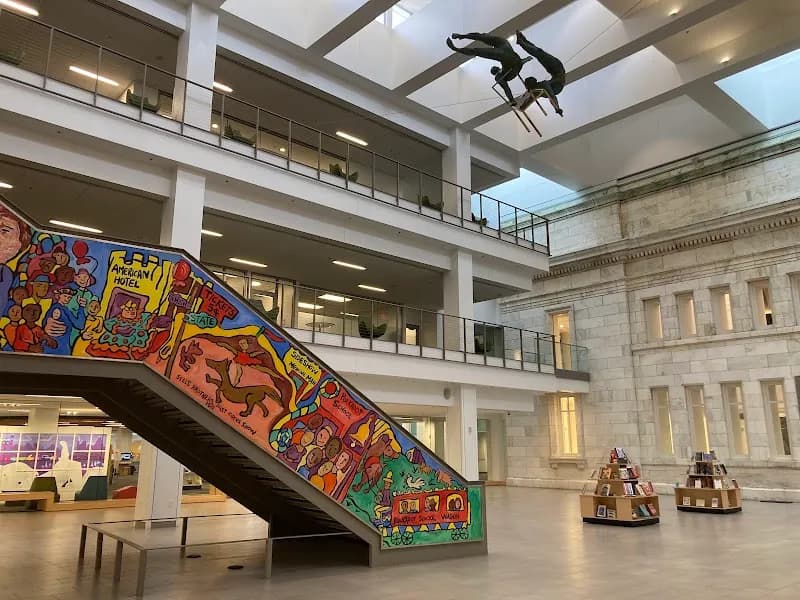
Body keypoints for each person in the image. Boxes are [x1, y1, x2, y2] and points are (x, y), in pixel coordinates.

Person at [447, 32, 531, 105]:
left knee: (482, 37)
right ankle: (460, 40)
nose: (495, 68)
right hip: (512, 61)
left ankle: (461, 38)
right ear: (497, 69)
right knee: (480, 43)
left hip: (511, 58)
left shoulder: (501, 72)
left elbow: (479, 43)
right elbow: (505, 87)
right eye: (494, 69)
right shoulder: (501, 74)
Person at [515, 31, 566, 117]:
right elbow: (552, 98)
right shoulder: (543, 86)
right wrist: (557, 108)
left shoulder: (536, 91)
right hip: (557, 69)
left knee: (539, 53)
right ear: (533, 83)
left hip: (554, 71)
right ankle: (522, 42)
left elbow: (529, 100)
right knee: (539, 53)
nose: (536, 79)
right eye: (534, 80)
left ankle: (523, 41)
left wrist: (521, 107)